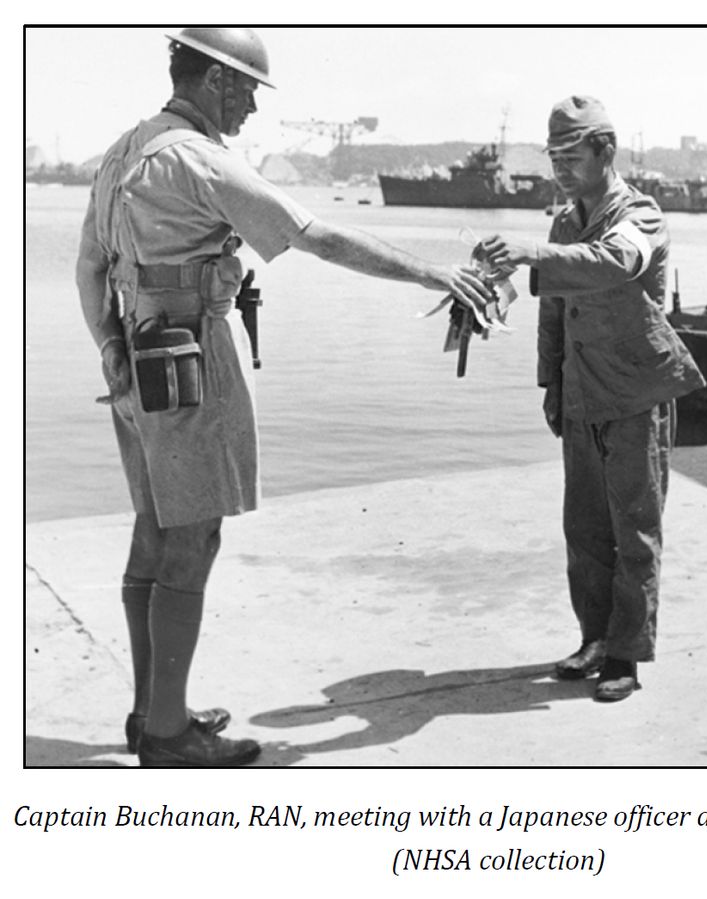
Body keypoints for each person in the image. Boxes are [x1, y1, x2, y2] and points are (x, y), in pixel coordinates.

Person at [75, 28, 492, 767]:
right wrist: (434, 273)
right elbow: (316, 235)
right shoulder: (201, 160)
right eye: (247, 90)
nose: (252, 108)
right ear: (215, 80)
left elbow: (88, 267)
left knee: (154, 531)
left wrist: (112, 350)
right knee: (193, 537)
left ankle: (151, 712)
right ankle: (168, 737)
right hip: (190, 358)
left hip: (136, 360)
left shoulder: (125, 149)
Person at [480, 96, 705, 702]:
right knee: (583, 529)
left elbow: (614, 262)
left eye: (571, 156)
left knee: (635, 529)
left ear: (606, 152)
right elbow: (553, 311)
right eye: (553, 157)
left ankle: (626, 656)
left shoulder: (641, 214)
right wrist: (551, 383)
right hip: (581, 391)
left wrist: (531, 253)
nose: (560, 168)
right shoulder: (563, 223)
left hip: (634, 393)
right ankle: (595, 639)